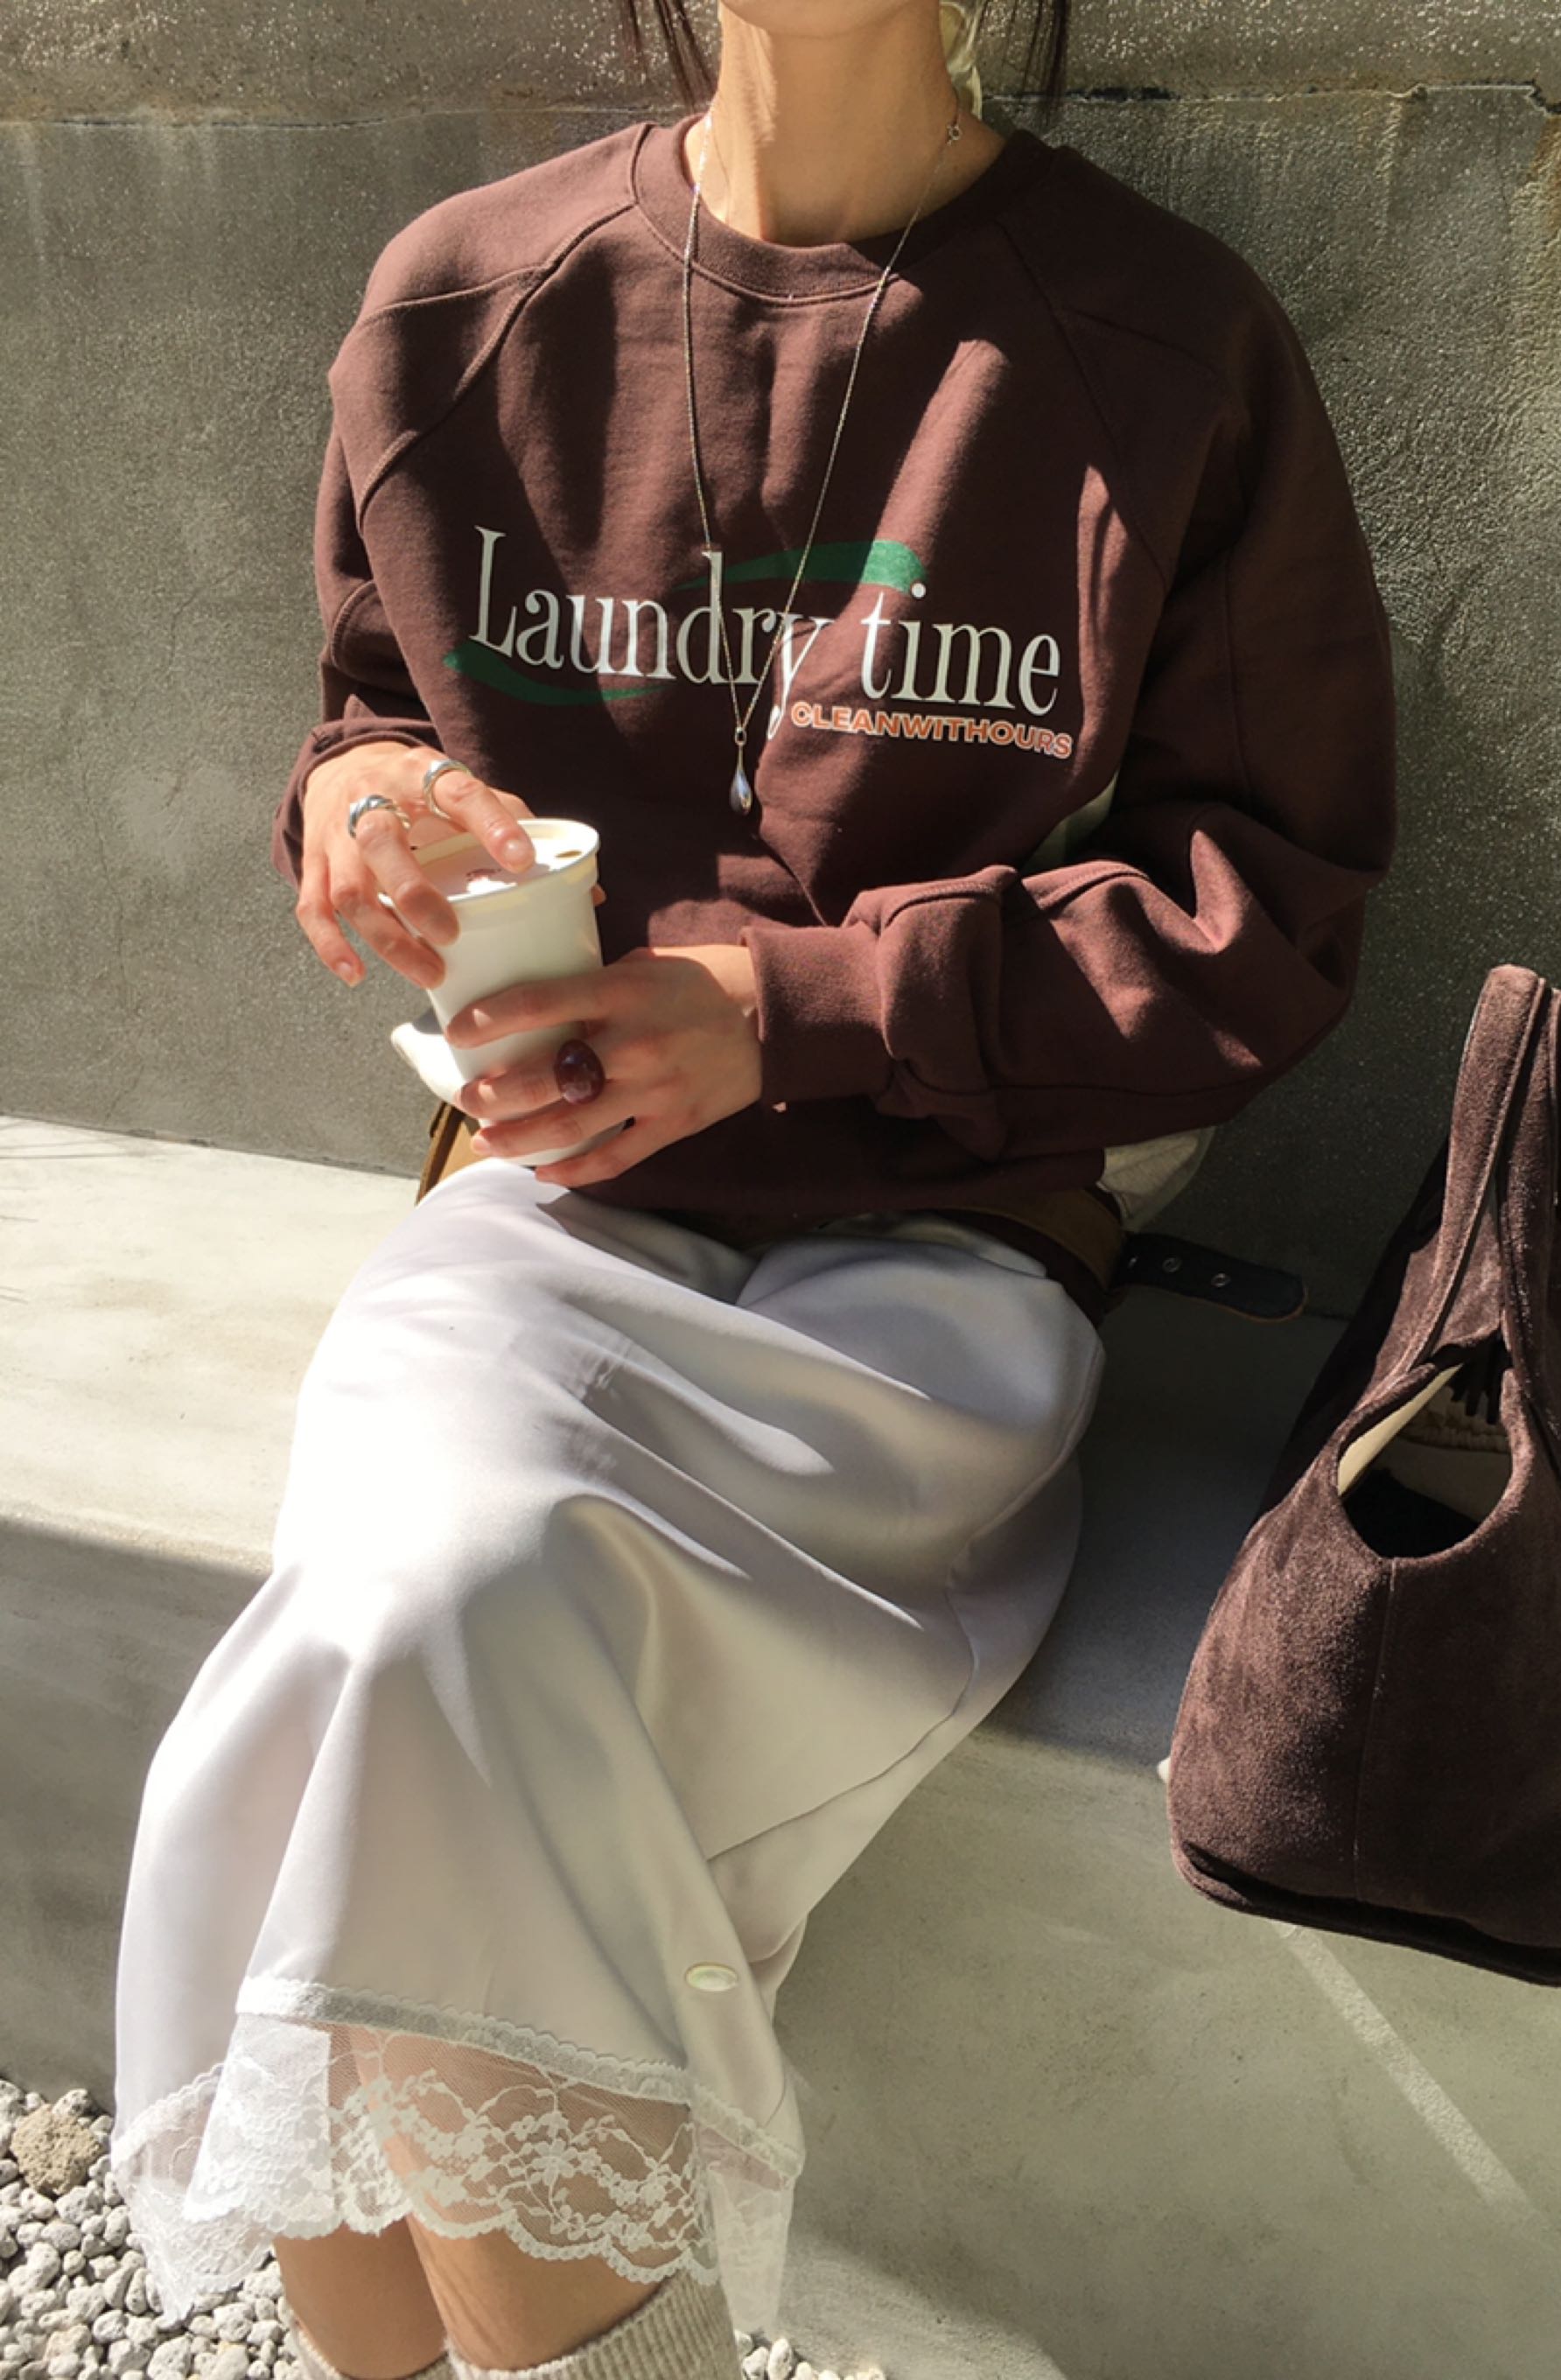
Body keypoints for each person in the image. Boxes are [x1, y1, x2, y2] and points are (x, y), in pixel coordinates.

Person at [108, 3, 1398, 2376]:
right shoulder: (465, 301)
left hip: (942, 1264)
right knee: (411, 1611)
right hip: (538, 1216)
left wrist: (797, 1006)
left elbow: (1265, 912)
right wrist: (362, 806)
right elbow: (367, 704)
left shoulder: (1159, 342)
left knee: (421, 1664)